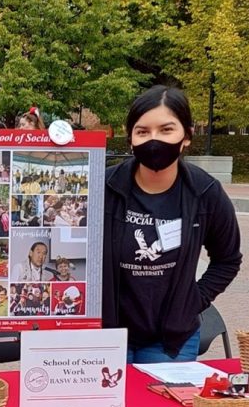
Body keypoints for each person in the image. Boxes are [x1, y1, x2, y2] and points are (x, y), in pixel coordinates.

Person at [102, 85, 242, 362]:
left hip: (170, 339)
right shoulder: (101, 186)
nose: (154, 141)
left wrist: (193, 301)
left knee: (161, 405)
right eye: (143, 131)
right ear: (130, 138)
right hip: (105, 333)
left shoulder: (204, 192)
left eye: (166, 130)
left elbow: (227, 260)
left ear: (186, 136)